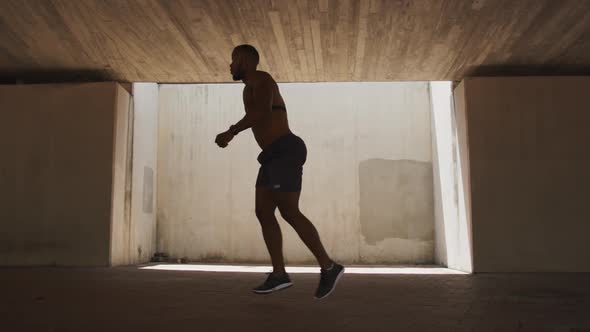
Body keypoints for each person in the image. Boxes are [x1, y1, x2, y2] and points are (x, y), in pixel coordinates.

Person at [215, 44, 344, 300]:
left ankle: (329, 267)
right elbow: (256, 115)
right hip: (271, 156)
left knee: (288, 211)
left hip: (286, 150)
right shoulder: (246, 91)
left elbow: (261, 112)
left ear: (244, 60)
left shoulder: (262, 79)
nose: (230, 66)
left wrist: (231, 132)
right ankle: (279, 274)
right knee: (263, 212)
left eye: (232, 60)